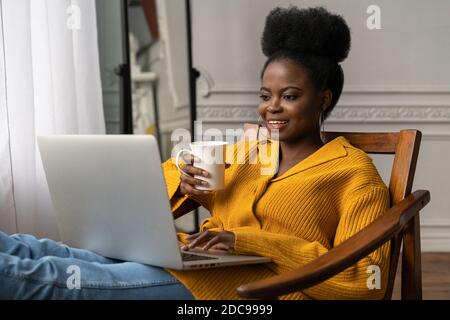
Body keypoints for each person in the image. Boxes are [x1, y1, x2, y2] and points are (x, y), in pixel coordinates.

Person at [0, 6, 390, 300]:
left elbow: (365, 281)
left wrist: (247, 241)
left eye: (289, 96)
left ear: (323, 100)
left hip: (246, 292)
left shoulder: (354, 175)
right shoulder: (246, 153)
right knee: (32, 249)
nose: (272, 107)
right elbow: (148, 199)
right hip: (188, 261)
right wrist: (184, 184)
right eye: (265, 95)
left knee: (51, 280)